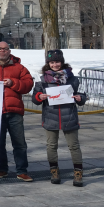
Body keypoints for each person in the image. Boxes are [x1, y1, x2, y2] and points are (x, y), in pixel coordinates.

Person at [0, 41, 34, 182]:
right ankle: (2, 169)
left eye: (5, 49)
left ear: (9, 51)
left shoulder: (19, 68)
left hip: (14, 111)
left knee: (19, 143)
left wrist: (13, 83)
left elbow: (28, 85)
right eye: (0, 49)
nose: (3, 51)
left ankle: (22, 171)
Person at [31, 49, 86, 187]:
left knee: (74, 146)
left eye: (57, 62)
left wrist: (80, 98)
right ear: (48, 63)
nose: (55, 65)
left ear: (62, 62)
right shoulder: (42, 80)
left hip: (69, 117)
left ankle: (78, 173)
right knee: (51, 146)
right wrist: (39, 97)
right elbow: (35, 98)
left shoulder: (73, 79)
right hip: (51, 117)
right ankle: (54, 171)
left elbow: (81, 95)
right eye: (52, 62)